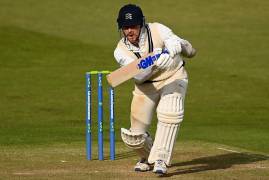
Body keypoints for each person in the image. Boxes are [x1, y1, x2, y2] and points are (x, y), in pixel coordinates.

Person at [114, 4, 196, 174]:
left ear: (141, 24)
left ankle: (161, 159)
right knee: (134, 138)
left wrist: (175, 45)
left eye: (133, 26)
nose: (130, 31)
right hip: (145, 87)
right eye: (126, 27)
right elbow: (138, 76)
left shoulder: (158, 29)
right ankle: (147, 157)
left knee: (171, 112)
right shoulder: (120, 51)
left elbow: (180, 45)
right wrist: (154, 60)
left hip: (173, 77)